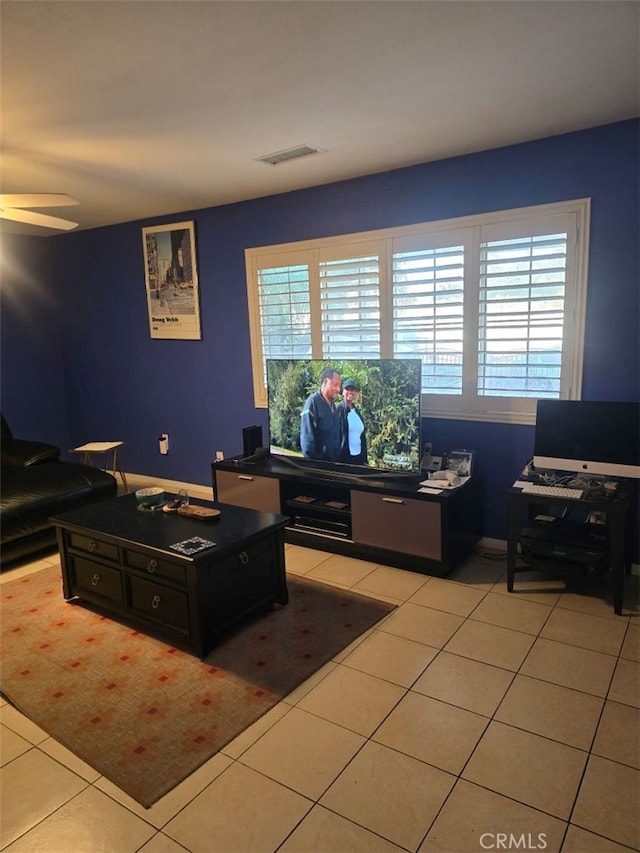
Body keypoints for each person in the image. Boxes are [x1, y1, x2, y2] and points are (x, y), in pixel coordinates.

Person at [300, 367, 342, 461]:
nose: (338, 389)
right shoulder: (312, 403)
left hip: (333, 466)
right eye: (335, 385)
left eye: (339, 385)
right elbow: (307, 441)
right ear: (325, 382)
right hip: (319, 467)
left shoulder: (333, 407)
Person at [338, 378, 368, 465]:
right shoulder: (339, 410)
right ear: (343, 391)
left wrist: (365, 460)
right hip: (344, 459)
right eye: (347, 389)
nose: (350, 392)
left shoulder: (357, 412)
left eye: (353, 390)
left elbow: (362, 437)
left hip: (359, 458)